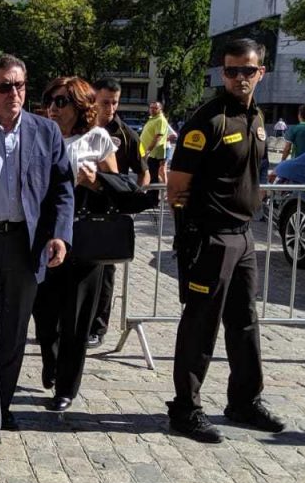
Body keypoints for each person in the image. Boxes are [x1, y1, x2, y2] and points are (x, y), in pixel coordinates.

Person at [166, 37, 286, 443]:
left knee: (244, 322)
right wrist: (194, 234)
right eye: (232, 70)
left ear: (260, 73)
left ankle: (244, 401)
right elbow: (177, 187)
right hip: (211, 238)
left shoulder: (256, 117)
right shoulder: (208, 119)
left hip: (245, 236)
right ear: (223, 72)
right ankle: (185, 408)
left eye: (247, 71)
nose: (239, 78)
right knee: (201, 324)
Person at [0, 55, 73, 446]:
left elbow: (63, 188)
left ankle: (1, 404)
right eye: (5, 86)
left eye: (21, 85)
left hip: (27, 244)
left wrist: (60, 234)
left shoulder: (46, 132)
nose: (15, 94)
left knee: (13, 332)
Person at [32, 76, 117, 413]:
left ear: (80, 105)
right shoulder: (39, 136)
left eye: (61, 101)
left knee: (76, 318)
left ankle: (67, 385)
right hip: (42, 238)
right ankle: (51, 362)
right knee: (44, 314)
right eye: (50, 100)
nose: (53, 108)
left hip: (84, 240)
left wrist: (95, 182)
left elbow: (119, 187)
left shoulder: (97, 139)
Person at [89, 78, 150, 348]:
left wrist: (130, 200)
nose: (111, 107)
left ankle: (98, 328)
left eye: (115, 102)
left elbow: (144, 173)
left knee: (105, 272)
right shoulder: (81, 126)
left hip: (109, 210)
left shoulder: (126, 134)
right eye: (106, 102)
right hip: (79, 208)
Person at [140, 101, 171, 183]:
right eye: (151, 108)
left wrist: (148, 151)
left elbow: (158, 137)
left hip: (153, 154)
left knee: (153, 176)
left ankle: (154, 194)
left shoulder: (160, 120)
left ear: (160, 109)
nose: (152, 110)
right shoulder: (153, 119)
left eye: (155, 108)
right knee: (151, 175)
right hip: (148, 153)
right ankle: (154, 192)